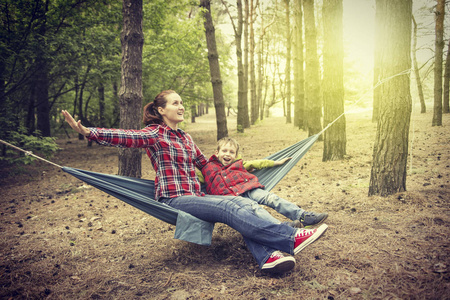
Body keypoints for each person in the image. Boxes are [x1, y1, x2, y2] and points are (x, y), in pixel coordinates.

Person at [61, 90, 328, 274]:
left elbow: (206, 164)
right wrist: (89, 132)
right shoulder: (154, 133)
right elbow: (126, 136)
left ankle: (268, 257)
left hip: (198, 198)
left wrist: (235, 173)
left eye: (182, 102)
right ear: (161, 109)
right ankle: (290, 237)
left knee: (242, 204)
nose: (181, 106)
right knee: (230, 208)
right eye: (175, 103)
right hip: (174, 199)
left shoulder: (186, 138)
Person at [198, 137, 328, 228]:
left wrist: (276, 162)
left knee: (271, 198)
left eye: (231, 152)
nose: (227, 154)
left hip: (248, 188)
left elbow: (257, 163)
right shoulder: (207, 168)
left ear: (236, 155)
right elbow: (196, 175)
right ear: (217, 152)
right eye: (224, 151)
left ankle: (303, 216)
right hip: (233, 199)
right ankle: (281, 227)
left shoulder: (239, 164)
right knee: (255, 208)